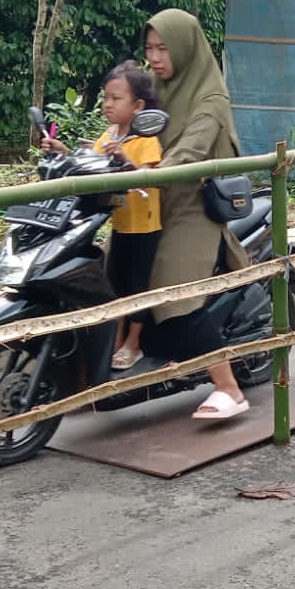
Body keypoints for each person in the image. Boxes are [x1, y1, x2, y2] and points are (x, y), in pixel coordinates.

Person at [139, 8, 254, 420]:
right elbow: (121, 128)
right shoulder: (150, 88)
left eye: (163, 48)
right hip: (147, 201)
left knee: (173, 294)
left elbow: (189, 151)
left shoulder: (211, 99)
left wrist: (150, 174)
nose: (154, 57)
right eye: (150, 48)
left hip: (192, 207)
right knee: (114, 272)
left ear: (185, 49)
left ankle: (230, 388)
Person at [92, 63, 163, 371]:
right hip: (119, 225)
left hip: (145, 228)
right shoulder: (108, 136)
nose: (108, 104)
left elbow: (149, 176)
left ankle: (133, 343)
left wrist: (125, 159)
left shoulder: (145, 138)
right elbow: (89, 163)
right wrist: (60, 151)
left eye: (116, 98)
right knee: (114, 283)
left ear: (138, 106)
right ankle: (116, 338)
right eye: (106, 97)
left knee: (138, 285)